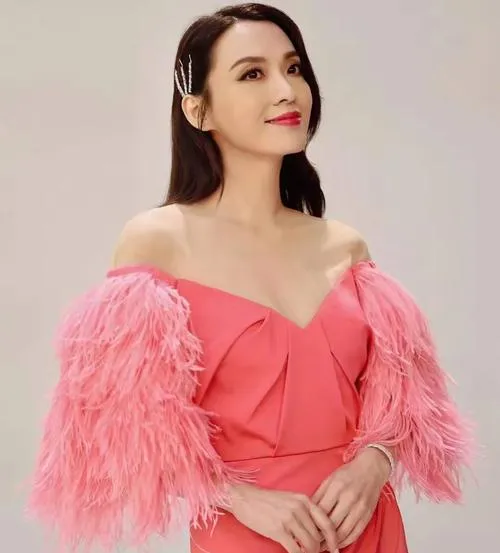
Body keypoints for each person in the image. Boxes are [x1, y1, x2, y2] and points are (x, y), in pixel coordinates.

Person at [26, 3, 474, 553]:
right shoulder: (158, 242)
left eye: (293, 68)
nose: (287, 91)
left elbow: (403, 399)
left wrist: (374, 462)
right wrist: (238, 498)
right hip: (247, 534)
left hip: (366, 528)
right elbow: (127, 420)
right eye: (252, 74)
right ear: (198, 111)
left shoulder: (345, 248)